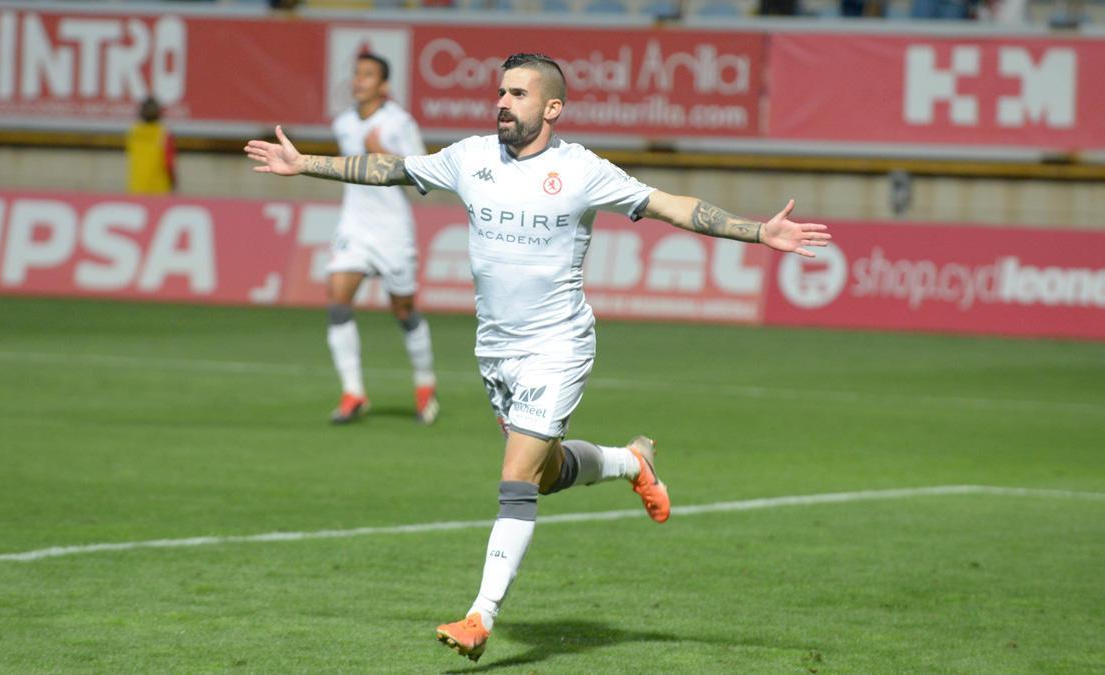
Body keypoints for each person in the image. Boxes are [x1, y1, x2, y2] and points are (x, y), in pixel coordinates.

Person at [245, 52, 830, 663]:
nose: (503, 102)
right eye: (501, 91)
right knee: (545, 475)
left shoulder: (580, 171)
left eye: (519, 94)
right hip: (495, 351)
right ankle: (631, 462)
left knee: (515, 479)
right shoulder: (470, 158)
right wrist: (303, 162)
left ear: (552, 108)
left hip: (557, 346)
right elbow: (390, 167)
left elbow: (669, 205)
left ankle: (480, 615)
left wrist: (757, 232)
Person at [324, 52, 438, 425]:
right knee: (338, 302)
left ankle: (425, 385)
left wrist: (383, 154)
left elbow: (425, 175)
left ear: (384, 85)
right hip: (354, 227)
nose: (359, 81)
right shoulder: (342, 124)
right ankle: (353, 392)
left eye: (368, 75)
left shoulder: (399, 122)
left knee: (403, 311)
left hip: (393, 232)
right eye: (356, 74)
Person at [126, 96, 176, 195]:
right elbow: (169, 162)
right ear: (159, 114)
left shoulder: (133, 132)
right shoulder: (164, 133)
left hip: (136, 188)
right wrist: (173, 180)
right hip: (159, 189)